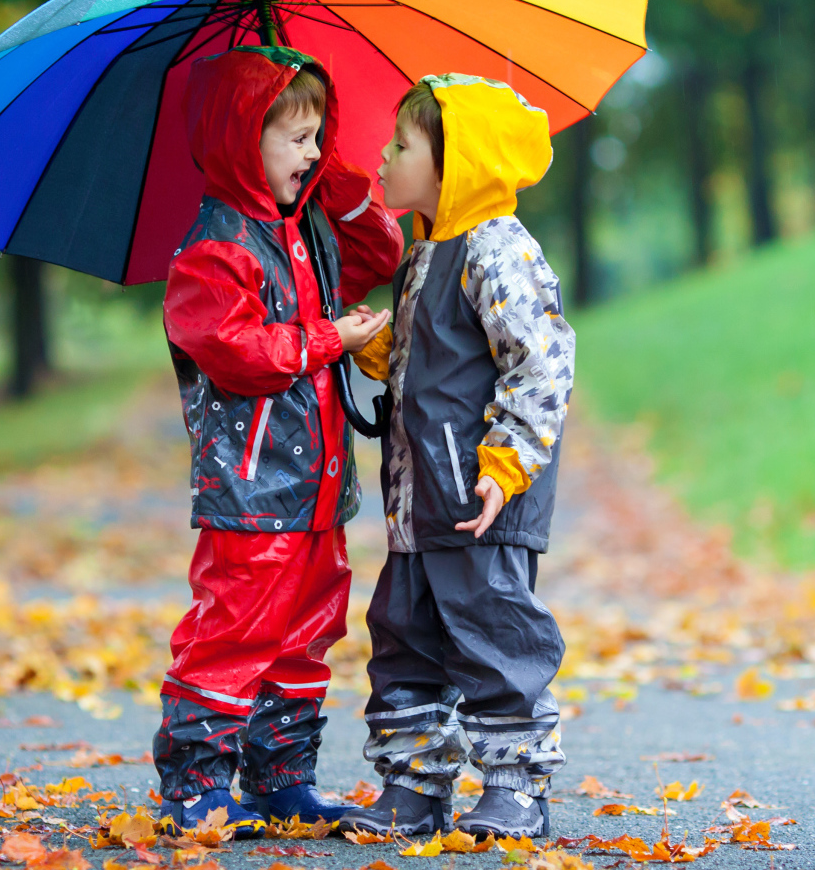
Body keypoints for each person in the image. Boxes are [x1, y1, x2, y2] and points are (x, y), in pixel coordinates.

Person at [153, 45, 401, 836]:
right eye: (297, 138)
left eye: (318, 135)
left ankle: (281, 775)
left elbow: (380, 253)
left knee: (308, 630)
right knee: (236, 629)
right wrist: (328, 339)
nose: (312, 150)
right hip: (252, 487)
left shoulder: (306, 228)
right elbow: (234, 351)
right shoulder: (215, 248)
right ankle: (196, 783)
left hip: (317, 485)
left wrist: (333, 179)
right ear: (241, 140)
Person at [338, 74, 575, 841]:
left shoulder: (497, 249)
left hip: (480, 499)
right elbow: (437, 361)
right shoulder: (426, 253)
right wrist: (378, 347)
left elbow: (540, 364)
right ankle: (413, 787)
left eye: (401, 145)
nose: (384, 156)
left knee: (496, 638)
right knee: (404, 639)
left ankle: (516, 787)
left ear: (456, 164)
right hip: (419, 504)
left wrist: (504, 466)